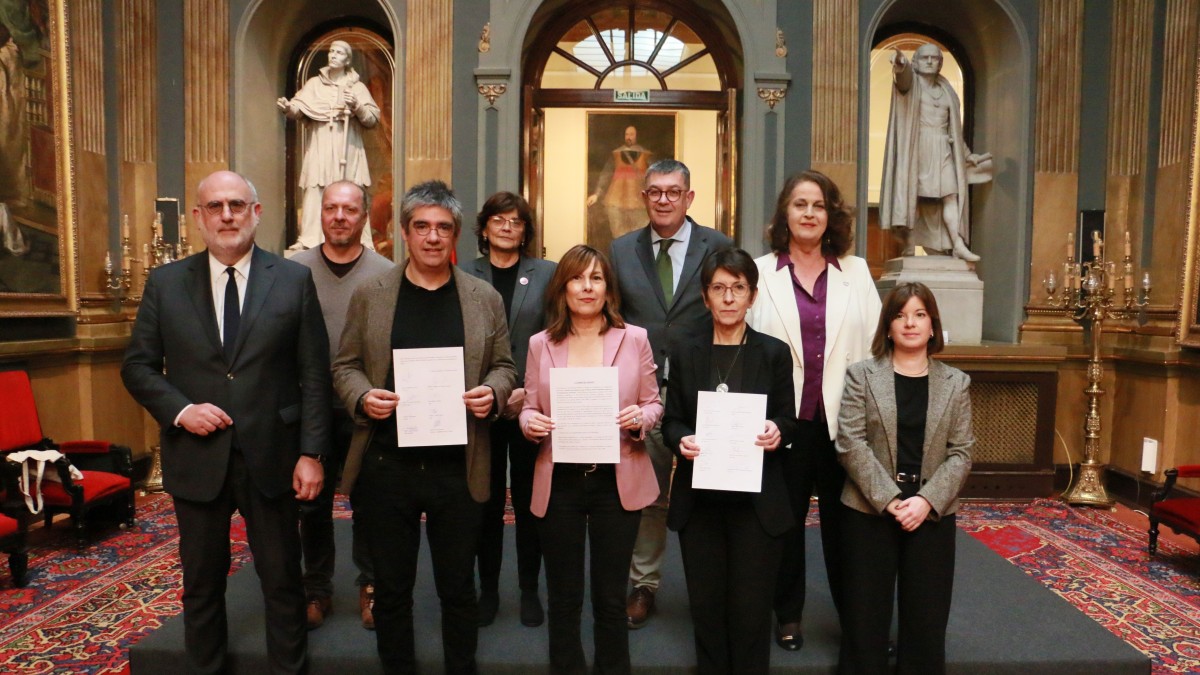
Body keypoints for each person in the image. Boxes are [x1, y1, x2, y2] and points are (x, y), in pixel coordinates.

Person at [122, 170, 331, 674]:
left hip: (274, 457)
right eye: (215, 207)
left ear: (256, 213)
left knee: (282, 583)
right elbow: (137, 366)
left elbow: (314, 376)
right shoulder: (166, 283)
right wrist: (180, 410)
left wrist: (311, 453)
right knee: (201, 585)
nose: (227, 215)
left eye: (237, 204)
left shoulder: (293, 280)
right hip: (197, 457)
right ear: (198, 218)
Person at [331, 180, 517, 674]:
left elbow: (505, 366)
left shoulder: (482, 298)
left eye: (442, 227)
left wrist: (492, 393)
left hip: (459, 467)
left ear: (455, 234)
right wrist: (363, 396)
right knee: (391, 590)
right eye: (422, 227)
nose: (432, 237)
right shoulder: (371, 295)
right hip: (387, 465)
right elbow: (344, 366)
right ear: (405, 233)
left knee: (459, 588)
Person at [746, 170, 882, 652]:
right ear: (785, 212)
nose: (809, 213)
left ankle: (859, 620)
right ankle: (788, 616)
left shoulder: (858, 272)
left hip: (845, 424)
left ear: (831, 216)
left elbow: (873, 349)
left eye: (818, 205)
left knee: (851, 529)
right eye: (800, 204)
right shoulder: (758, 273)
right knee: (783, 524)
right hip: (782, 424)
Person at [520, 244, 662, 674]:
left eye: (596, 278)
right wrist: (530, 423)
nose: (587, 287)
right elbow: (528, 406)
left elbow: (654, 403)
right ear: (562, 288)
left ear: (608, 288)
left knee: (610, 597)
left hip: (616, 479)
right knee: (563, 598)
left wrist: (641, 418)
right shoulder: (540, 344)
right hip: (559, 479)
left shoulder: (633, 338)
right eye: (578, 278)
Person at [663, 247, 799, 674]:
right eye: (719, 288)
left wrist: (778, 431)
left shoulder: (773, 353)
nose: (727, 298)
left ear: (751, 296)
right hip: (700, 503)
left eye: (737, 288)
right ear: (705, 297)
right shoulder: (686, 351)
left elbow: (788, 419)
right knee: (706, 608)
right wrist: (681, 438)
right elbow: (671, 422)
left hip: (756, 506)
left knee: (750, 610)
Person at [609, 158, 732, 629]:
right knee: (647, 494)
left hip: (708, 388)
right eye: (655, 192)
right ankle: (644, 584)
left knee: (713, 490)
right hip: (642, 392)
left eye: (673, 192)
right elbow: (613, 318)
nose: (664, 200)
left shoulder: (717, 245)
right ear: (643, 197)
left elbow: (730, 307)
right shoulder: (621, 250)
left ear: (689, 197)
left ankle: (718, 583)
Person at [836, 282, 974, 674]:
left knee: (926, 621)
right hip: (868, 509)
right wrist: (891, 499)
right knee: (865, 619)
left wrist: (927, 500)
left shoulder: (956, 382)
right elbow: (850, 443)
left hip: (931, 512)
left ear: (933, 326)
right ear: (888, 325)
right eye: (900, 315)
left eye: (919, 315)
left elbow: (962, 452)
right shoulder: (861, 376)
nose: (909, 323)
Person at [291, 180, 394, 630]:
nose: (338, 217)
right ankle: (316, 589)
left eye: (349, 209)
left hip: (366, 411)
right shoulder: (292, 271)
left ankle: (371, 587)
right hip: (309, 409)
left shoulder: (387, 273)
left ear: (364, 216)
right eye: (330, 208)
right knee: (309, 504)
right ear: (321, 213)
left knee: (372, 504)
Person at [462, 191, 556, 628]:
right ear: (483, 228)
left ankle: (528, 590)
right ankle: (489, 591)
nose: (506, 227)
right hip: (478, 406)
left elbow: (558, 339)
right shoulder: (462, 273)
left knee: (530, 502)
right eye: (498, 220)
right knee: (483, 503)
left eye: (516, 221)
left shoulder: (547, 274)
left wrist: (528, 392)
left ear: (525, 230)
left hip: (529, 409)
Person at [879, 43, 991, 262]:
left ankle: (957, 244)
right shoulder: (912, 85)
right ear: (916, 62)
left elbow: (954, 130)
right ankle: (909, 244)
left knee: (951, 196)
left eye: (935, 58)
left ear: (940, 63)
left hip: (943, 148)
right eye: (924, 58)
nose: (930, 61)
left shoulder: (947, 90)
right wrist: (900, 64)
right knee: (915, 197)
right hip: (917, 148)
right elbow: (902, 78)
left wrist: (967, 155)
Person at [278, 39, 381, 251]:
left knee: (351, 191)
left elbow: (372, 118)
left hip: (347, 147)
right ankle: (309, 240)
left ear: (347, 59)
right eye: (331, 51)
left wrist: (357, 106)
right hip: (321, 143)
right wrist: (289, 108)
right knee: (316, 187)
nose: (333, 55)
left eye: (339, 52)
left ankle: (359, 240)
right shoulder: (314, 85)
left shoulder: (356, 87)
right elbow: (299, 106)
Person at [587, 125, 654, 239]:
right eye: (627, 134)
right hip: (616, 202)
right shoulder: (616, 154)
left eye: (632, 134)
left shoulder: (646, 155)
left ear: (637, 136)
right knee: (619, 238)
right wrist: (597, 194)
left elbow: (656, 176)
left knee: (640, 238)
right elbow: (606, 174)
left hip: (639, 204)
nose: (629, 137)